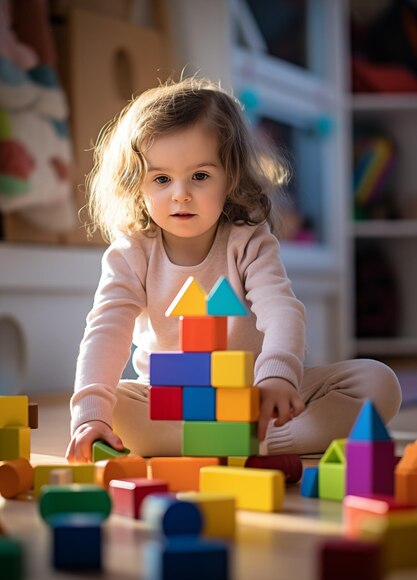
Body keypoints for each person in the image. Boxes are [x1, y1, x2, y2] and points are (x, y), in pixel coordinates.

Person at [66, 77, 402, 463]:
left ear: (232, 177)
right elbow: (107, 328)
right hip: (172, 400)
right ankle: (252, 444)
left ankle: (247, 440)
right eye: (161, 179)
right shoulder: (131, 252)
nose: (180, 194)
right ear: (137, 185)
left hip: (254, 395)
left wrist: (277, 376)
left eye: (200, 176)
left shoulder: (248, 241)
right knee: (118, 405)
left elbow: (281, 309)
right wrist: (89, 416)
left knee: (378, 382)